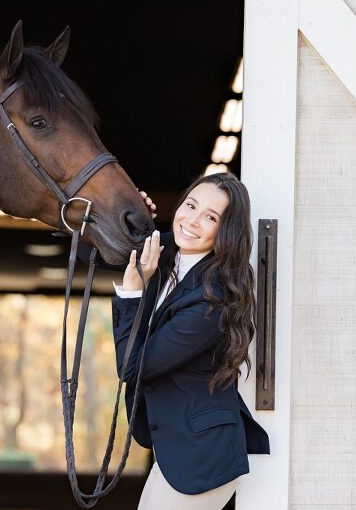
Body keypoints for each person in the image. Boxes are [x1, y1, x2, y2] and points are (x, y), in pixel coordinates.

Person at [113, 173, 270, 510]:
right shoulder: (168, 252)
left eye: (210, 217)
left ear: (224, 232)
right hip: (175, 450)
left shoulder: (214, 300)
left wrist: (132, 292)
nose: (193, 221)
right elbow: (93, 248)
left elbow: (134, 367)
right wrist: (129, 211)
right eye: (191, 205)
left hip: (200, 457)